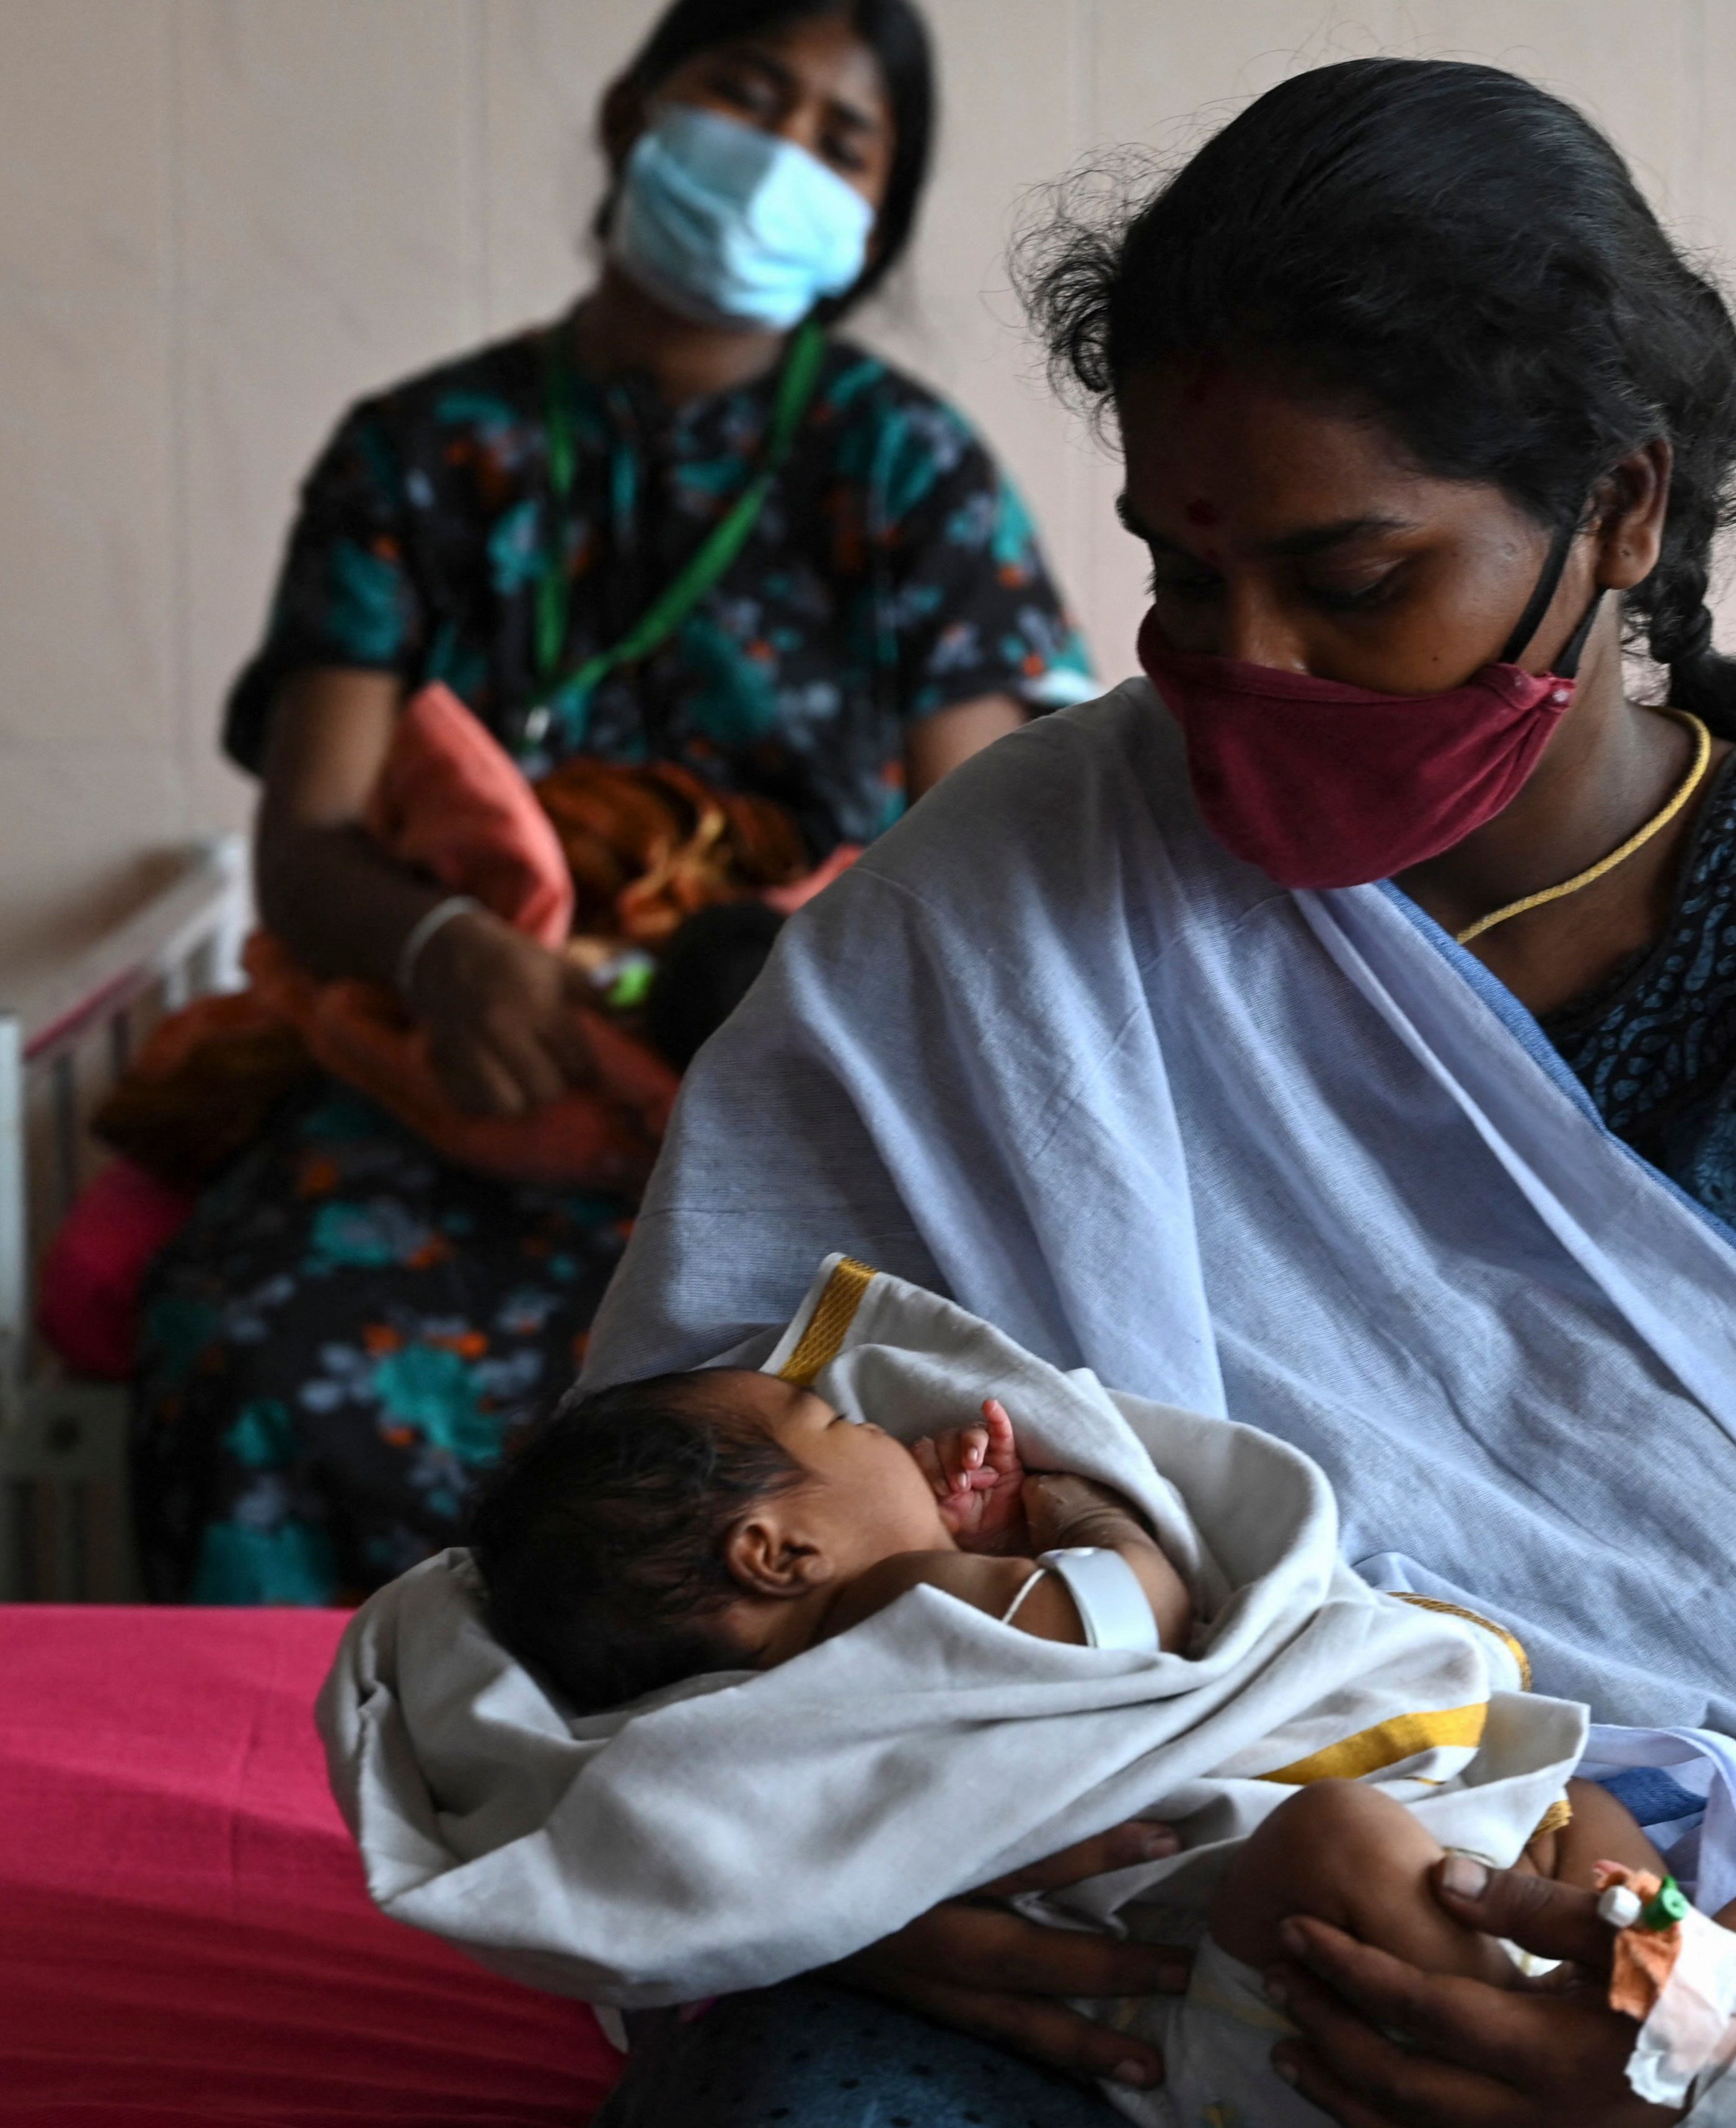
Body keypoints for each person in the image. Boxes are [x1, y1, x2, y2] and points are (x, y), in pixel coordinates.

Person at [438, 58, 1736, 2128]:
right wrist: (864, 1885)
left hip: (1719, 1902)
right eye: (1182, 582)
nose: (1240, 666)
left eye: (1349, 578)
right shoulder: (1010, 887)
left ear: (1620, 515)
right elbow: (699, 1518)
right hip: (1084, 1902)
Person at [131, 0, 1091, 1606]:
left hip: (788, 1105)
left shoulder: (903, 471)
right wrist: (441, 946)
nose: (779, 153)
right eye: (744, 92)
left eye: (841, 140)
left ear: (873, 218)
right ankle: (278, 1820)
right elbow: (305, 846)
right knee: (245, 1359)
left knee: (784, 1447)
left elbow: (976, 852)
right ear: (639, 107)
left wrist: (760, 993)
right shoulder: (420, 455)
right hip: (461, 1084)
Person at [359, 1255, 1736, 2128]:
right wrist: (1072, 1504)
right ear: (776, 1556)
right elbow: (1135, 1609)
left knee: (1574, 1811)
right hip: (1295, 2030)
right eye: (838, 1434)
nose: (883, 1427)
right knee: (1353, 1837)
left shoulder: (753, 1719)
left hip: (1263, 2009)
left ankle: (1657, 1968)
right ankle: (1670, 2035)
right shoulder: (911, 1626)